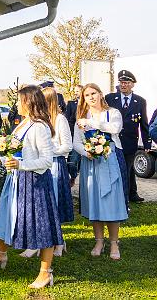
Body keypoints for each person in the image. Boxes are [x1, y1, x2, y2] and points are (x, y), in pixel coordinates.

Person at [0, 85, 62, 289]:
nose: (17, 104)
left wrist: (21, 165)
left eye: (19, 101)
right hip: (17, 180)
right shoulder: (23, 124)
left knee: (42, 226)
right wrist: (2, 159)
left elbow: (46, 161)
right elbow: (17, 152)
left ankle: (45, 273)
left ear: (29, 102)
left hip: (35, 184)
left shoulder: (40, 127)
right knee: (6, 218)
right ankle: (0, 255)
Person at [74, 83, 128, 260]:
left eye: (93, 93)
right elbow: (76, 142)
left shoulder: (112, 113)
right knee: (94, 202)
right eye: (87, 95)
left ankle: (114, 243)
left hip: (110, 160)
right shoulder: (81, 116)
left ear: (100, 94)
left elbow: (115, 129)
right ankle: (99, 241)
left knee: (111, 202)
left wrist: (91, 122)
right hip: (91, 163)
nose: (90, 97)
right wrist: (86, 152)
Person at [20, 88, 73, 258]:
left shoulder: (60, 120)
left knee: (54, 205)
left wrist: (50, 151)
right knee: (46, 207)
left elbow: (67, 146)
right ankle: (39, 243)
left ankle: (58, 242)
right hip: (39, 164)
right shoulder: (35, 122)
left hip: (55, 164)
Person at [105, 70, 151, 203]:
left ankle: (126, 197)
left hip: (130, 142)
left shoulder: (140, 101)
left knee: (126, 168)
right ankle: (126, 196)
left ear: (132, 85)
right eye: (121, 82)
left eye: (126, 82)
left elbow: (144, 123)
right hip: (113, 141)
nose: (123, 85)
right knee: (122, 169)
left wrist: (147, 143)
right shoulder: (110, 98)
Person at [65, 85, 83, 183]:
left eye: (77, 91)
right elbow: (68, 120)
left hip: (86, 135)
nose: (75, 92)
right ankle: (73, 177)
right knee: (73, 160)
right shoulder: (71, 103)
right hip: (74, 134)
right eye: (75, 91)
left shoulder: (87, 104)